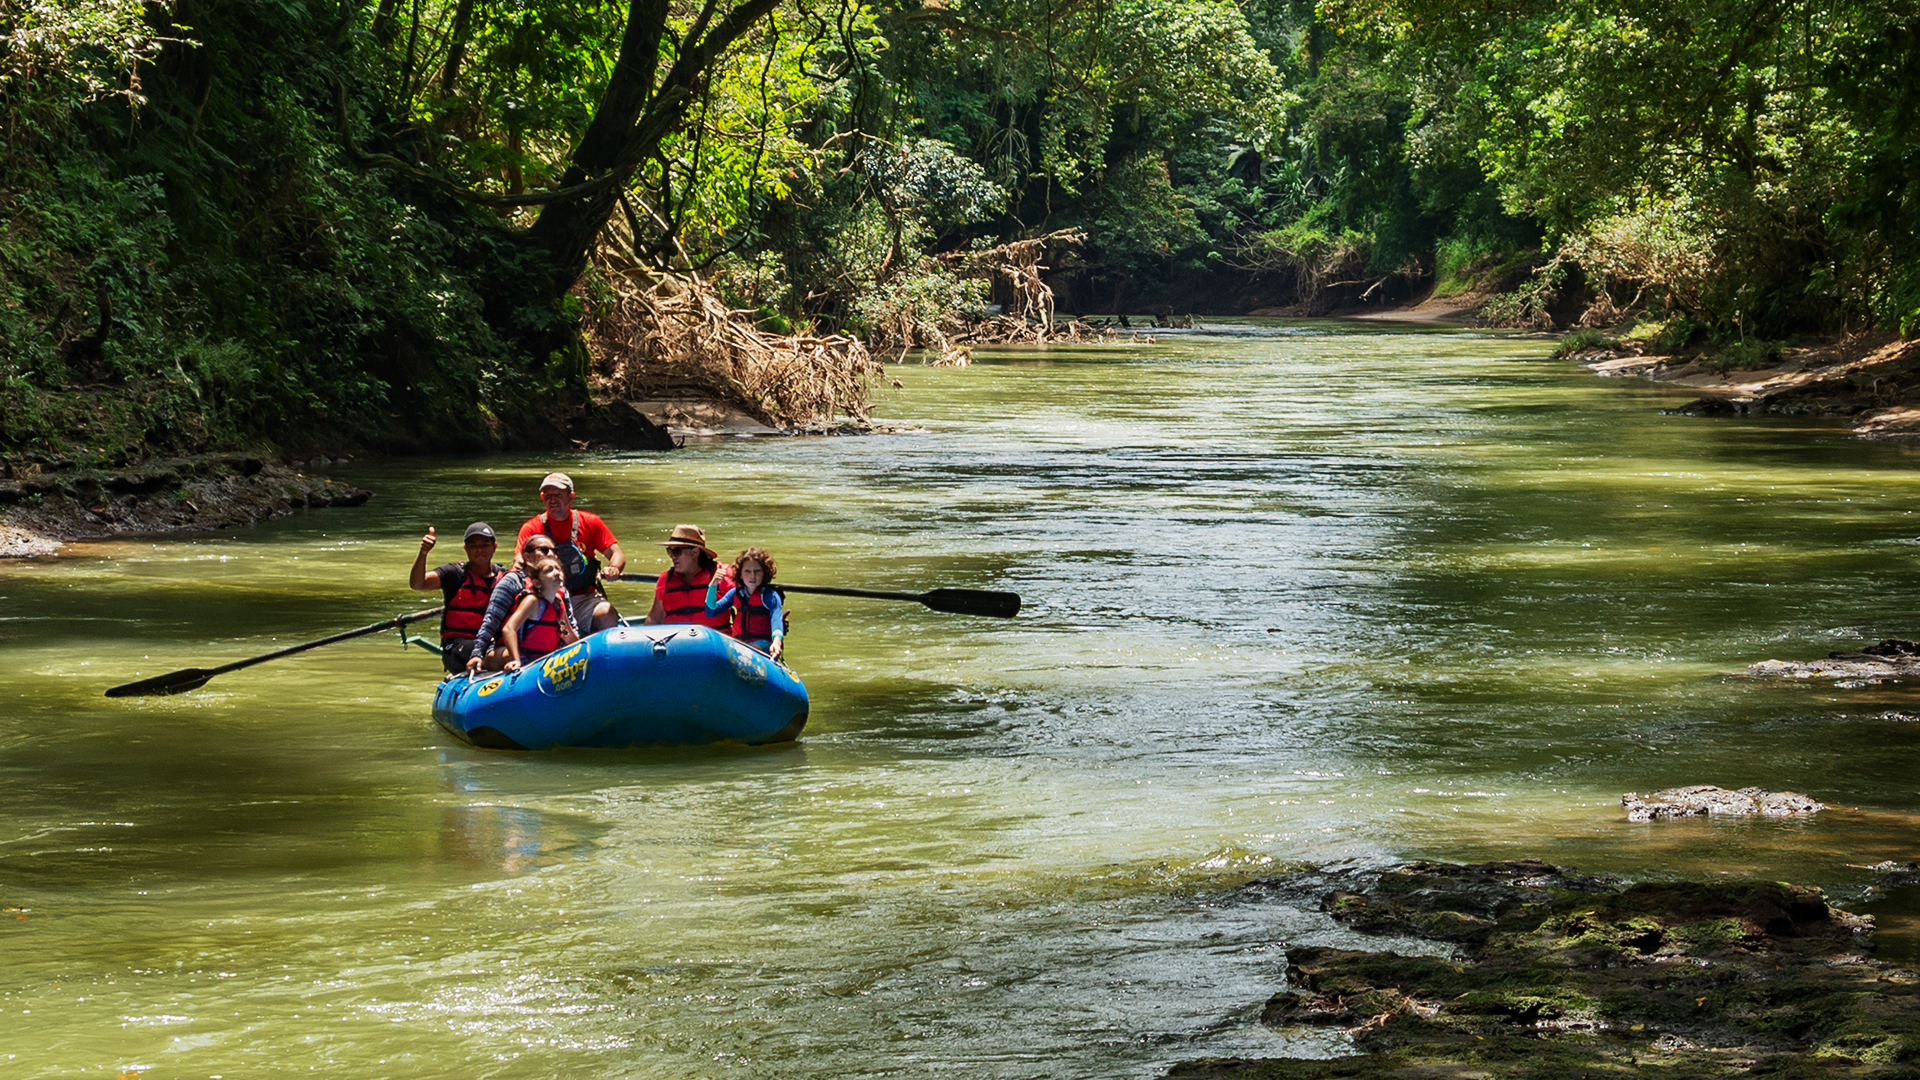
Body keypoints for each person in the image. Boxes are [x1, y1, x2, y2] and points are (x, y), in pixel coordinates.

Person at [517, 472, 624, 635]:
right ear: (541, 497)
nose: (552, 500)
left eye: (558, 495)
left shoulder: (590, 522)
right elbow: (519, 562)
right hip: (546, 597)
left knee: (607, 614)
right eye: (548, 495)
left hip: (584, 598)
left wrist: (614, 568)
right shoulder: (531, 528)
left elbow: (616, 554)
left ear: (571, 497)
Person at [408, 522, 506, 674]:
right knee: (505, 654)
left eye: (485, 545)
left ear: (494, 546)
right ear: (465, 549)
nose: (479, 550)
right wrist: (423, 552)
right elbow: (418, 584)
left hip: (492, 643)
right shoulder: (454, 574)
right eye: (473, 545)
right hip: (457, 647)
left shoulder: (505, 577)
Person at [466, 532, 570, 673]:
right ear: (527, 557)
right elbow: (492, 621)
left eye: (555, 551)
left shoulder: (559, 594)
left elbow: (569, 632)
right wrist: (477, 654)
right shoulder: (512, 582)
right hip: (510, 651)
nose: (551, 554)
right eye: (544, 550)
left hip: (546, 652)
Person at [645, 524, 733, 629]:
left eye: (677, 551)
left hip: (715, 643)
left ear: (695, 552)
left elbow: (742, 605)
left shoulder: (721, 573)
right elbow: (654, 619)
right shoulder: (665, 580)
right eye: (670, 551)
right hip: (677, 643)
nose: (672, 556)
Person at [705, 545, 785, 660]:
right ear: (740, 574)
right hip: (740, 644)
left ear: (764, 573)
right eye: (747, 571)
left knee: (749, 649)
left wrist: (777, 641)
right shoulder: (735, 593)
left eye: (757, 571)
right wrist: (712, 586)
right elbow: (711, 611)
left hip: (763, 645)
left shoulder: (769, 595)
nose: (752, 576)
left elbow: (776, 618)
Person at [501, 556, 579, 671]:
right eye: (549, 570)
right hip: (528, 660)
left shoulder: (558, 601)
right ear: (537, 583)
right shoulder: (532, 601)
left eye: (558, 569)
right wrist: (515, 660)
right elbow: (508, 629)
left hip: (550, 659)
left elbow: (569, 636)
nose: (557, 573)